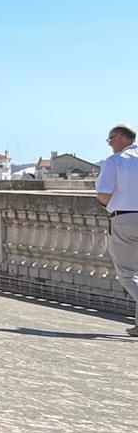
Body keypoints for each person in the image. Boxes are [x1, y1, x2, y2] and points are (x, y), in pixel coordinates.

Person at [97, 124, 138, 337]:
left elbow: (103, 195)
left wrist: (113, 206)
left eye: (110, 139)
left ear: (121, 138)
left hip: (125, 219)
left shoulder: (115, 161)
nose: (110, 143)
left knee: (126, 274)